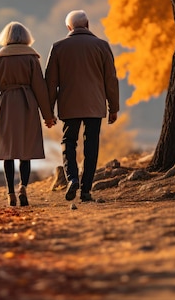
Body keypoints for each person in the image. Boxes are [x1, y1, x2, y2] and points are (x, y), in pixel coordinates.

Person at [45, 10, 120, 203]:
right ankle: (86, 190)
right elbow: (111, 80)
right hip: (95, 104)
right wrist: (113, 108)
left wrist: (48, 112)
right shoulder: (102, 46)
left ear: (68, 27)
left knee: (69, 142)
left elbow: (50, 82)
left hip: (69, 104)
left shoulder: (58, 47)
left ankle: (72, 178)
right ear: (87, 25)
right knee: (91, 145)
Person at [0, 21, 56, 207]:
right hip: (27, 106)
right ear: (25, 37)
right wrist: (48, 116)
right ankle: (23, 187)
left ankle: (10, 192)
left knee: (7, 152)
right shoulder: (31, 58)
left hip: (6, 107)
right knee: (25, 151)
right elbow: (40, 88)